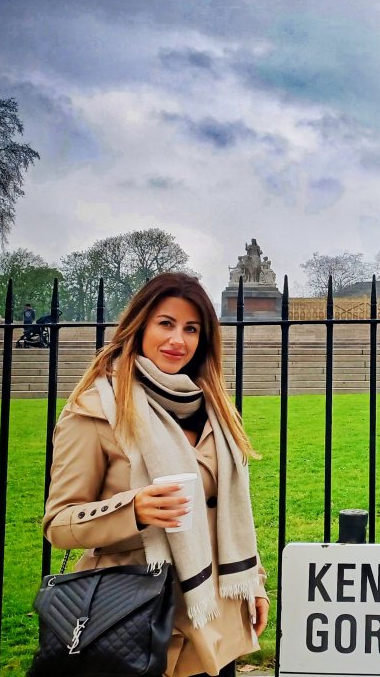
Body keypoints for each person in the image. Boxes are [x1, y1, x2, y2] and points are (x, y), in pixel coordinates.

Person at [43, 272, 269, 677]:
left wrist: (255, 583)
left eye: (191, 329)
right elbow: (59, 524)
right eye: (166, 323)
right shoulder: (94, 410)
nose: (178, 340)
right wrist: (133, 509)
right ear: (140, 326)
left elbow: (230, 512)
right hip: (136, 619)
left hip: (214, 619)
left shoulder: (214, 407)